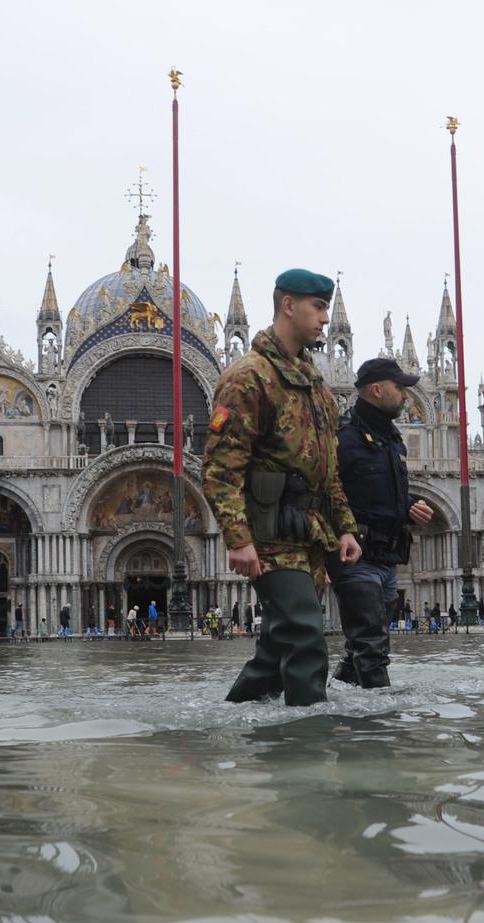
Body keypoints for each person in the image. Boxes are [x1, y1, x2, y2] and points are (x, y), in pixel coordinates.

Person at [203, 268, 361, 705]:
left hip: (308, 532)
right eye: (318, 307)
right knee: (307, 638)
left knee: (277, 648)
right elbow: (219, 467)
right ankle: (308, 751)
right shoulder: (248, 377)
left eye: (328, 308)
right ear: (288, 306)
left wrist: (345, 527)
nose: (325, 319)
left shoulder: (317, 388)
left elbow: (327, 471)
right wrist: (238, 539)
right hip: (268, 534)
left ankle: (233, 723)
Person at [327, 357, 434, 688]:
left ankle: (338, 701)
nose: (406, 396)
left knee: (360, 649)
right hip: (356, 558)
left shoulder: (392, 439)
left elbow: (383, 495)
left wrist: (409, 508)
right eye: (399, 388)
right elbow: (327, 492)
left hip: (388, 559)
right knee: (372, 647)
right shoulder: (344, 437)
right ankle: (383, 726)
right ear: (376, 389)